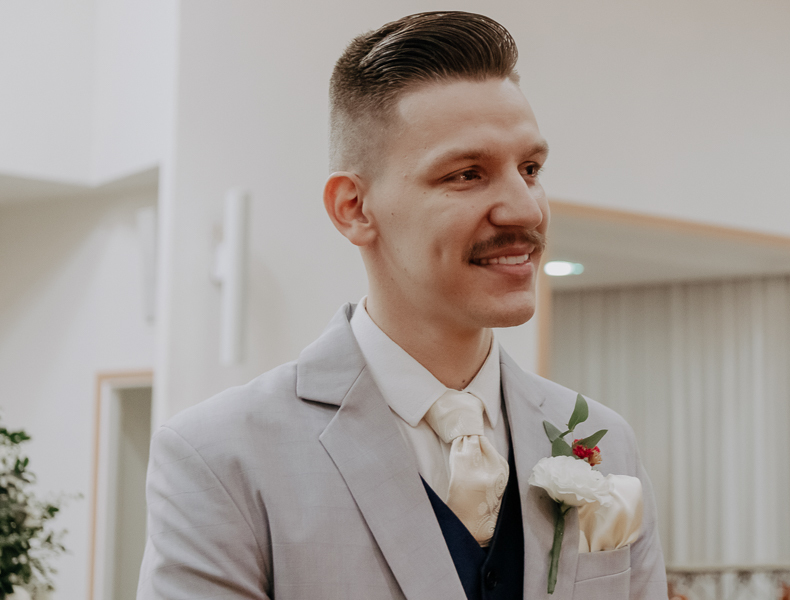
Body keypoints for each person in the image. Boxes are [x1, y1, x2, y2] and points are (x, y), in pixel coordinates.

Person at [137, 11, 667, 600]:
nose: (524, 210)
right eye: (467, 174)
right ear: (354, 208)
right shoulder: (222, 456)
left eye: (531, 169)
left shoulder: (603, 439)